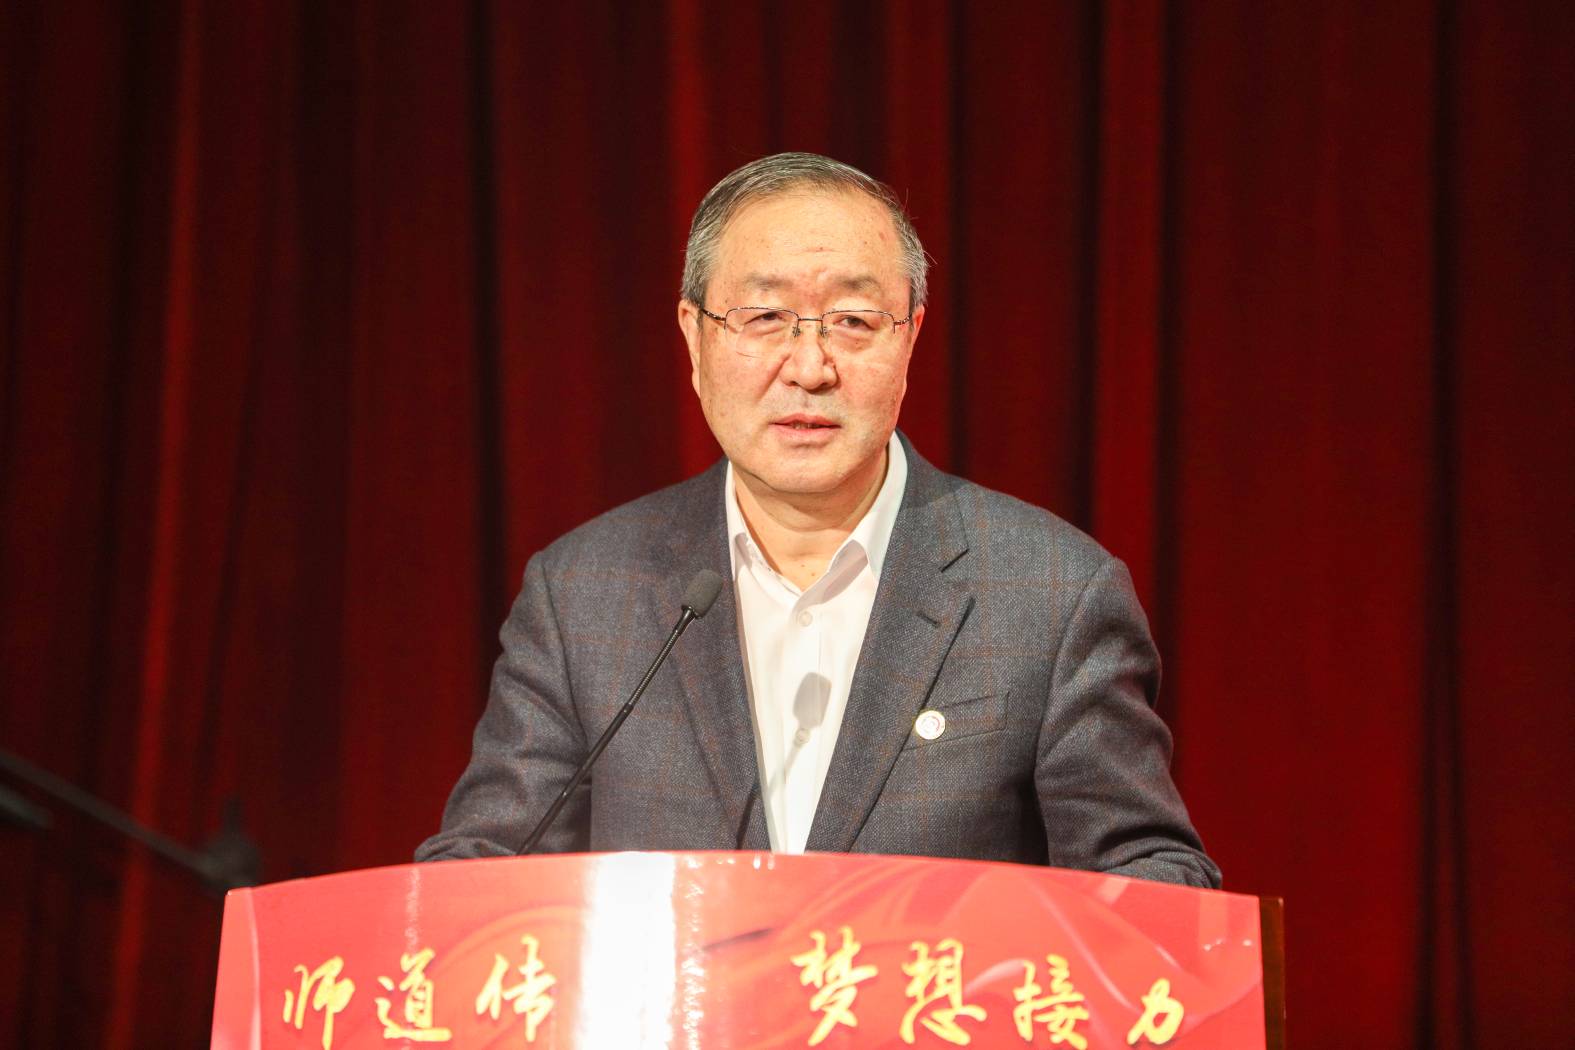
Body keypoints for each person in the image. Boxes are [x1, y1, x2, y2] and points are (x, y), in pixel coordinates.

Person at [416, 153, 1219, 888]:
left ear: (910, 340)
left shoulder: (1049, 592)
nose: (809, 367)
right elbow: (481, 875)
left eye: (853, 321)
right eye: (764, 317)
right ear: (693, 337)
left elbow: (1151, 879)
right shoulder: (584, 592)